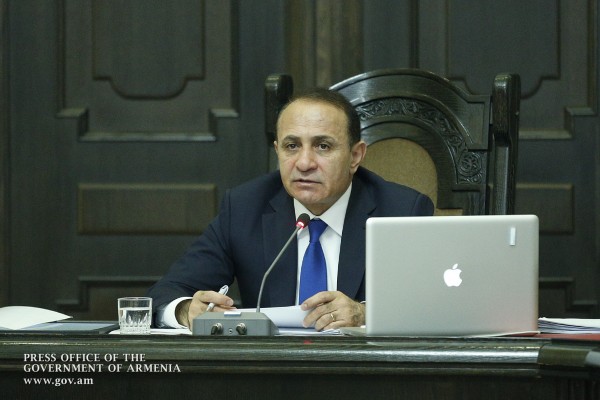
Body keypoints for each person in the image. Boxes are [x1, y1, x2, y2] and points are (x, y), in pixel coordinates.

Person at [147, 88, 434, 331]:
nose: (304, 163)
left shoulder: (401, 210)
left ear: (355, 156)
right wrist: (187, 310)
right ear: (277, 151)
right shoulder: (246, 207)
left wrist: (364, 313)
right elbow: (165, 294)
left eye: (323, 146)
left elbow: (431, 303)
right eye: (292, 146)